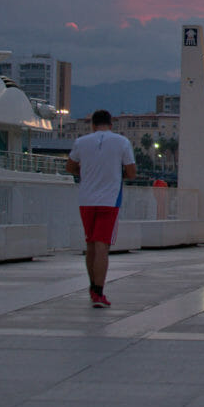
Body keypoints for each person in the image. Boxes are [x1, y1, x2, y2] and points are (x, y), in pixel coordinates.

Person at [65, 109, 136, 308]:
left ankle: (92, 287)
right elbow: (131, 172)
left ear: (93, 125)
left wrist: (84, 172)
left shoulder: (81, 142)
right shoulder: (122, 142)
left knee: (90, 245)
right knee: (102, 246)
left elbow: (69, 166)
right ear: (111, 124)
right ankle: (99, 292)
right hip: (109, 200)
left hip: (86, 200)